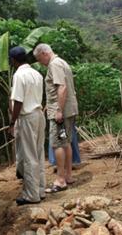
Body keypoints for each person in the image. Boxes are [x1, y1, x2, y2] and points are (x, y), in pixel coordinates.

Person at [34, 43, 78, 193]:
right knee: (65, 141)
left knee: (57, 143)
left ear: (45, 53)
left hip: (60, 114)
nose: (41, 63)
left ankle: (60, 179)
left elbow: (62, 87)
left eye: (40, 59)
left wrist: (58, 109)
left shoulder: (54, 65)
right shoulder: (62, 62)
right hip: (65, 110)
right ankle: (68, 176)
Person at [9, 46, 46, 205]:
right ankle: (40, 189)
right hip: (38, 114)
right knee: (38, 152)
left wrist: (13, 121)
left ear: (13, 60)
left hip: (27, 117)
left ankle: (31, 195)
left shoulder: (19, 75)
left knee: (29, 155)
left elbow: (18, 101)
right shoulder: (36, 73)